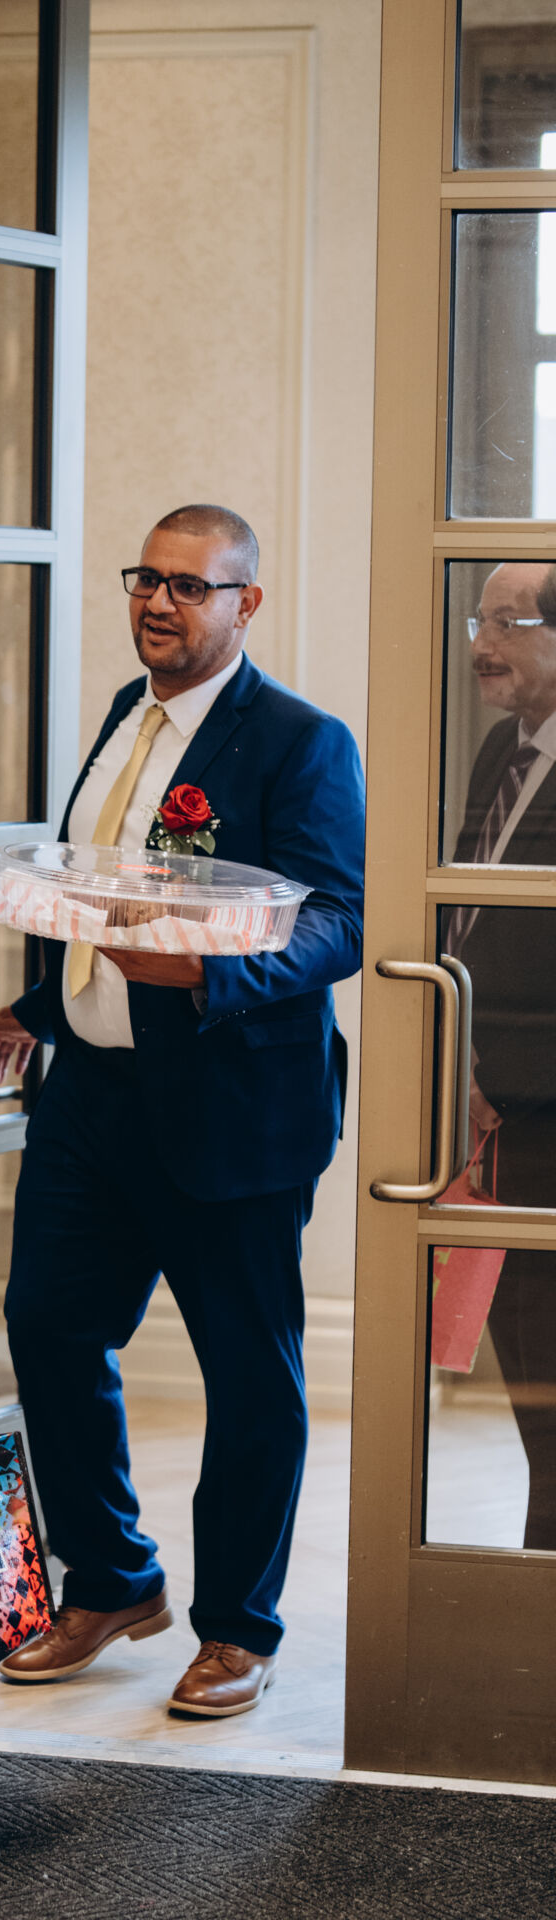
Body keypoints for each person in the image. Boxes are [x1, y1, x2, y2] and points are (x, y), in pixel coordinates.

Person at [0, 505, 365, 1716]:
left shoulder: (299, 741)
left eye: (190, 586)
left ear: (246, 604)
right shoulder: (120, 716)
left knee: (247, 1378)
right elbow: (98, 895)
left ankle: (237, 1627)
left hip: (230, 1110)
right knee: (46, 1327)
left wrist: (206, 974)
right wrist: (38, 1005)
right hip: (91, 1096)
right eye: (145, 578)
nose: (157, 602)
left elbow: (338, 923)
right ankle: (108, 1580)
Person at [444, 560, 556, 1550]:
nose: (480, 645)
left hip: (545, 1112)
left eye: (506, 623)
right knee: (531, 1378)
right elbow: (473, 919)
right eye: (479, 620)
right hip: (498, 1115)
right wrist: (463, 1065)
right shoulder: (499, 750)